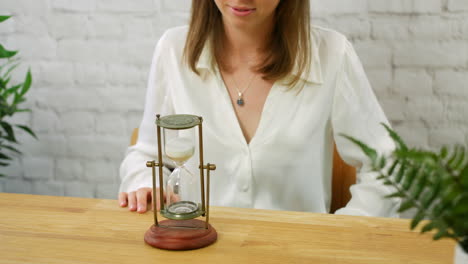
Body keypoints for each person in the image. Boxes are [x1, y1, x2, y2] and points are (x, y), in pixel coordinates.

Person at [118, 0, 400, 217]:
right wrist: (144, 183)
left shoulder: (332, 55)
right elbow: (146, 155)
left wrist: (349, 227)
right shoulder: (173, 49)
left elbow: (389, 167)